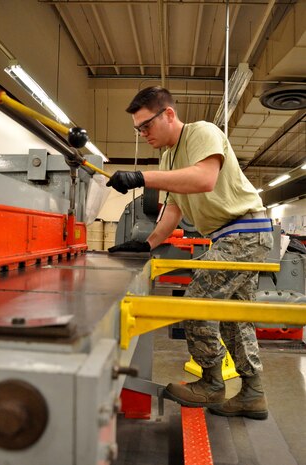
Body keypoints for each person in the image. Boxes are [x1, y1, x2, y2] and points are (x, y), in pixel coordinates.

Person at [107, 86, 274, 420]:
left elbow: (204, 179)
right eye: (138, 130)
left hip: (244, 231)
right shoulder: (169, 157)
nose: (143, 134)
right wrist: (147, 243)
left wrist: (142, 177)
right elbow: (175, 208)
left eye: (146, 126)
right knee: (235, 319)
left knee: (195, 303)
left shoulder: (202, 133)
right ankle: (253, 394)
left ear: (168, 114)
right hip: (235, 236)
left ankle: (212, 383)